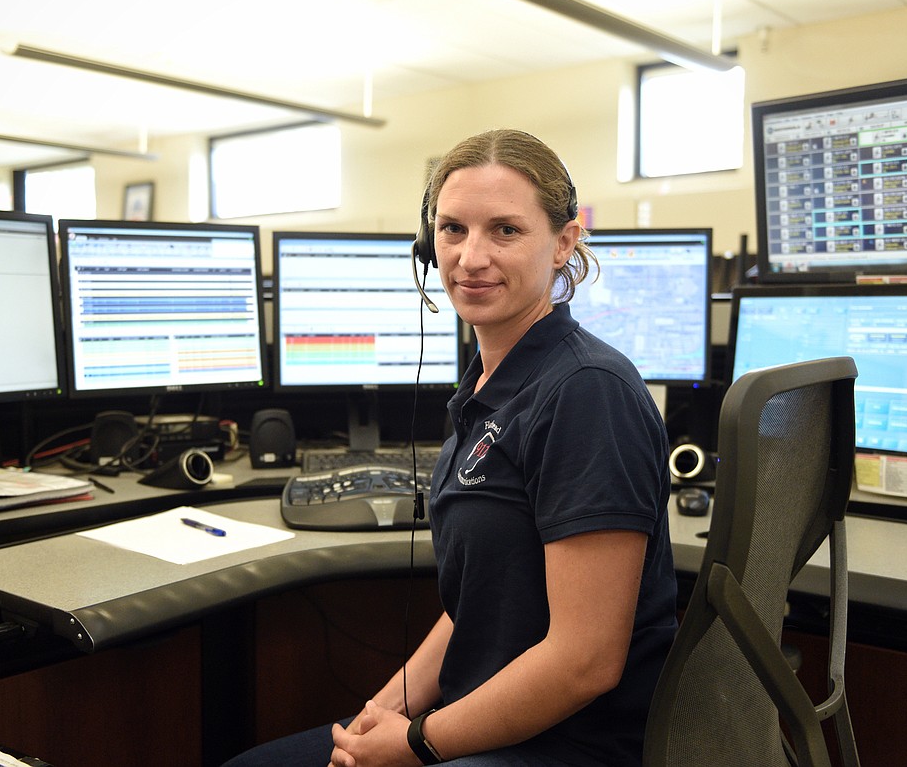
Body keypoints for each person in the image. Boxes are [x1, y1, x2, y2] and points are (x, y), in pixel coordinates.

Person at [225, 128, 676, 767]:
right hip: (481, 719)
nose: (470, 257)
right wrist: (381, 713)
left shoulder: (585, 393)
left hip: (570, 743)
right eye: (452, 230)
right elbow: (478, 605)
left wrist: (414, 742)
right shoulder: (489, 384)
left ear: (563, 244)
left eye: (505, 231)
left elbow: (585, 662)